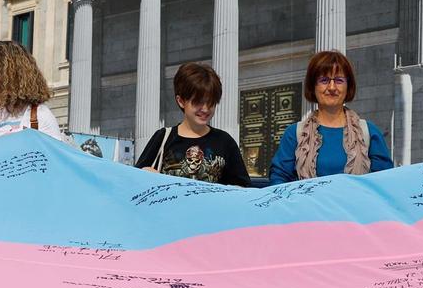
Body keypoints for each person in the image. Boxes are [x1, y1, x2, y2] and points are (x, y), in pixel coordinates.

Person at [269, 50, 393, 184]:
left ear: (348, 86)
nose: (332, 87)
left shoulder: (368, 132)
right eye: (324, 80)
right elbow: (279, 180)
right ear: (313, 86)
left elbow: (384, 183)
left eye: (339, 80)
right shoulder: (294, 134)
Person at [135, 62, 250, 187]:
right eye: (198, 102)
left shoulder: (224, 141)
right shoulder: (163, 137)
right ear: (181, 101)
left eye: (211, 102)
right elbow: (134, 181)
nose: (205, 109)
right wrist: (145, 174)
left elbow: (244, 189)